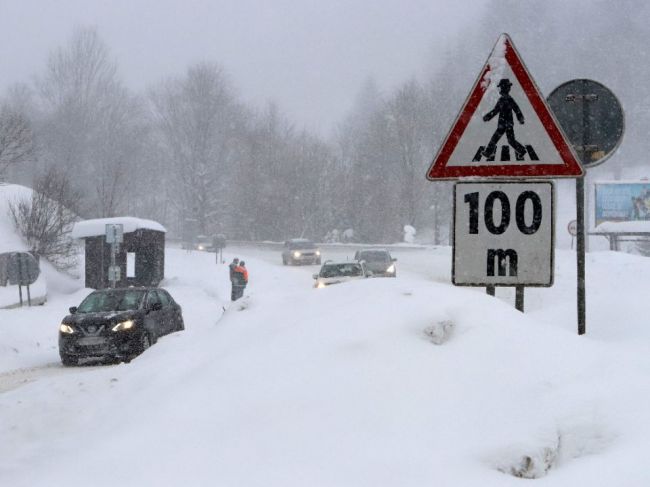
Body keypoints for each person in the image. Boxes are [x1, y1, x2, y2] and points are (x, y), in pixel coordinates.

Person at [482, 78, 526, 161]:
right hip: (506, 124)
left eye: (502, 88)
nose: (501, 89)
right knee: (509, 140)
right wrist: (488, 117)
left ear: (505, 88)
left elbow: (516, 109)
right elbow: (496, 110)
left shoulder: (508, 99)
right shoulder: (502, 100)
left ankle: (488, 152)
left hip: (504, 124)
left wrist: (520, 119)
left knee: (496, 138)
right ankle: (522, 150)